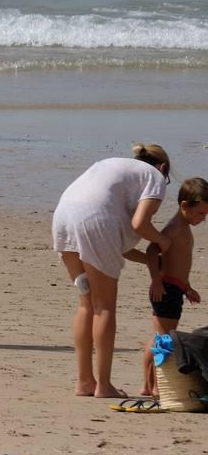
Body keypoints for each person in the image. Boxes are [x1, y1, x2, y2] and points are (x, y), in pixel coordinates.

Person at [52, 143, 173, 397]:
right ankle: (104, 385)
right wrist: (164, 243)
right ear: (162, 168)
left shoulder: (117, 168)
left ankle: (85, 381)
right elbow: (140, 224)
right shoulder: (155, 177)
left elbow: (114, 243)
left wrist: (149, 260)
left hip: (64, 215)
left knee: (86, 304)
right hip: (93, 219)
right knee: (104, 306)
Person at [140, 178, 207, 395]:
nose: (203, 219)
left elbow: (177, 263)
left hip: (175, 288)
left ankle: (149, 384)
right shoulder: (175, 228)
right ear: (184, 205)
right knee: (164, 338)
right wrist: (156, 281)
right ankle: (154, 385)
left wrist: (187, 287)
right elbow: (152, 251)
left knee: (161, 336)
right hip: (166, 288)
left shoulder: (183, 228)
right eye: (200, 213)